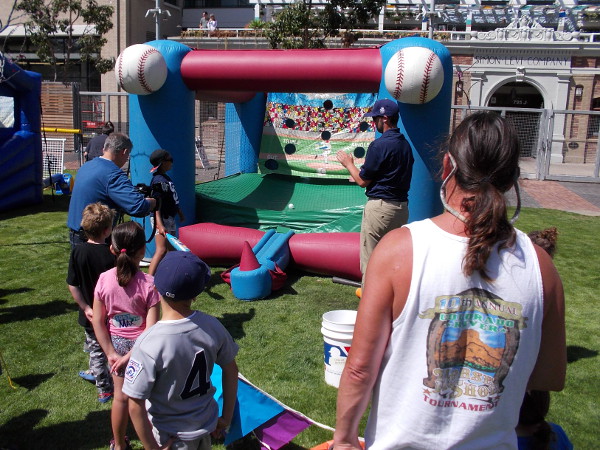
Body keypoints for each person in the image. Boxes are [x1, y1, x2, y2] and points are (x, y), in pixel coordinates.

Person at [332, 112, 566, 449]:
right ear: (513, 179)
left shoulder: (398, 251)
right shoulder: (541, 267)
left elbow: (359, 369)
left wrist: (344, 439)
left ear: (447, 167)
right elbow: (549, 376)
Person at [123, 251, 239, 450]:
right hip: (205, 424)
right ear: (196, 295)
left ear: (155, 286)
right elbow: (231, 370)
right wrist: (226, 417)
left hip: (171, 435)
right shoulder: (212, 326)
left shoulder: (148, 343)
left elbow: (134, 402)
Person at [92, 221, 161, 450]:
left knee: (121, 398)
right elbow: (150, 331)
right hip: (142, 350)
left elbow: (98, 322)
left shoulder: (103, 280)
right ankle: (154, 444)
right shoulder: (150, 284)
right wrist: (130, 354)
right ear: (143, 250)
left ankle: (119, 445)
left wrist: (111, 353)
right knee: (143, 400)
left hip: (117, 347)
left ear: (112, 249)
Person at [336, 98, 414, 280]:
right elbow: (390, 173)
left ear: (384, 119)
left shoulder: (379, 145)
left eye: (375, 118)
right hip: (401, 209)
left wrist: (348, 164)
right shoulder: (405, 145)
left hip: (380, 210)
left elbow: (362, 181)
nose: (374, 123)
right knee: (392, 262)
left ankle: (370, 306)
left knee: (371, 264)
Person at [67, 132, 156, 248]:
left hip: (76, 232)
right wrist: (154, 202)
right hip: (96, 238)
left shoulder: (86, 166)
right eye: (127, 155)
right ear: (124, 152)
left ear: (105, 148)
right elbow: (138, 206)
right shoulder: (113, 174)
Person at [66, 202, 117, 403]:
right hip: (108, 314)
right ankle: (106, 387)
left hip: (89, 314)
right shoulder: (110, 255)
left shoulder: (77, 252)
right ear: (107, 230)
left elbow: (73, 284)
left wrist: (85, 307)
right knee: (105, 350)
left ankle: (98, 377)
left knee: (94, 347)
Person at [147, 149, 185, 276]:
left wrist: (179, 212)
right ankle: (149, 279)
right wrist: (160, 224)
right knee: (161, 250)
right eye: (170, 160)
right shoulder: (159, 180)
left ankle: (169, 275)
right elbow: (156, 203)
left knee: (171, 250)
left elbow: (172, 197)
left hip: (168, 218)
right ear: (163, 163)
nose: (172, 163)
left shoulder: (165, 178)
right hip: (161, 219)